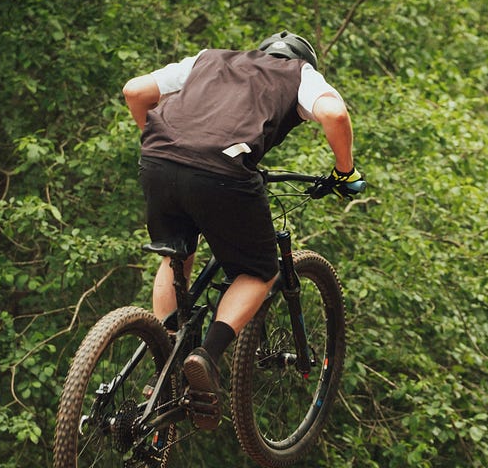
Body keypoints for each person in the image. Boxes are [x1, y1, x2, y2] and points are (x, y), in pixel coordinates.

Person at [121, 31, 360, 430]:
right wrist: (344, 171)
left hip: (157, 158)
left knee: (175, 254)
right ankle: (206, 355)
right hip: (224, 172)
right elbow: (334, 115)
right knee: (259, 271)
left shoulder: (208, 57)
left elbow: (135, 91)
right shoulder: (299, 74)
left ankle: (167, 356)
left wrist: (167, 145)